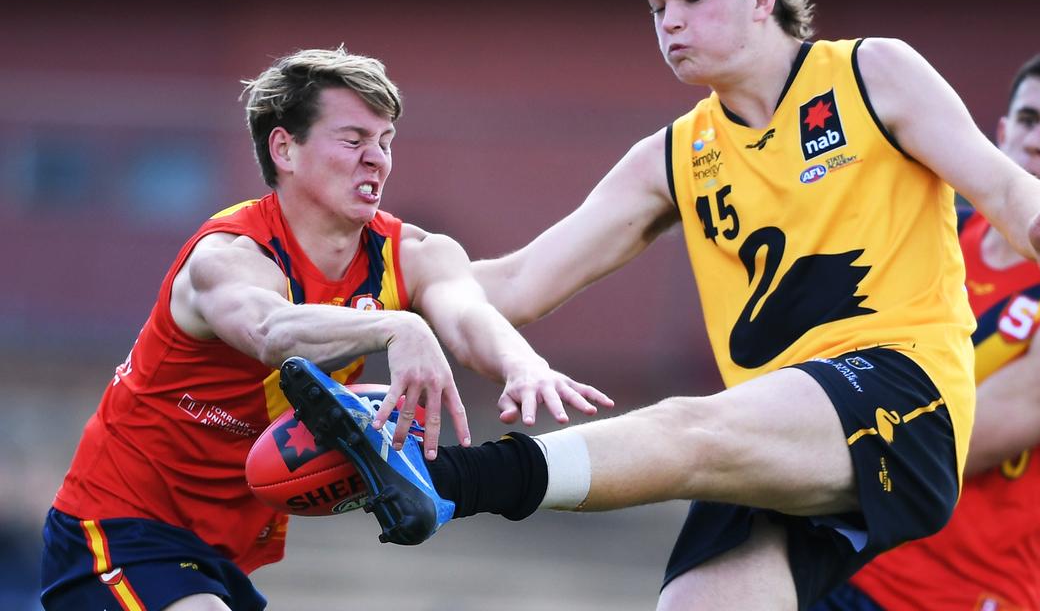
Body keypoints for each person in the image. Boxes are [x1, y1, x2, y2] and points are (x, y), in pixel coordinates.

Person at [284, 0, 1040, 610]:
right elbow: (522, 285)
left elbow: (1000, 181)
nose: (668, 21)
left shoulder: (869, 73)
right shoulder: (671, 156)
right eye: (655, 6)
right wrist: (377, 289)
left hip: (900, 391)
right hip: (774, 429)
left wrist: (1039, 224)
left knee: (685, 426)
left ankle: (447, 478)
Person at [39, 47, 611, 611]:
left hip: (220, 551)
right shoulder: (229, 254)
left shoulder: (409, 252)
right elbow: (271, 330)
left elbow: (468, 312)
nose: (378, 159)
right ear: (285, 148)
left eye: (386, 142)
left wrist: (522, 363)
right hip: (114, 526)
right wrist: (398, 326)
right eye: (354, 139)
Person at [811, 45, 1040, 611]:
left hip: (954, 595)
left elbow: (944, 445)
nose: (1038, 140)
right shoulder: (929, 237)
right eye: (1030, 120)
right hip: (844, 562)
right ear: (1003, 131)